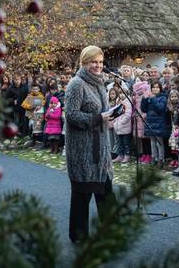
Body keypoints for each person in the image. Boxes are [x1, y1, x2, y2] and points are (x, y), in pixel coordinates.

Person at [64, 45, 115, 244]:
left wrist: (107, 118)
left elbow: (101, 112)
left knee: (106, 190)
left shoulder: (100, 83)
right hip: (83, 149)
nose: (98, 65)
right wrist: (98, 118)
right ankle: (78, 236)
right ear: (84, 62)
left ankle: (112, 232)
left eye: (101, 62)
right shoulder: (76, 84)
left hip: (101, 147)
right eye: (94, 61)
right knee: (82, 194)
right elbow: (72, 115)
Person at [141, 80, 171, 169]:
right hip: (150, 122)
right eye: (153, 87)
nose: (155, 89)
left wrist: (153, 98)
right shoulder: (149, 97)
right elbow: (144, 109)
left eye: (157, 87)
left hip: (159, 123)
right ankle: (154, 157)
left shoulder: (163, 98)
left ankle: (161, 159)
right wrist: (144, 99)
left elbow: (160, 108)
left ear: (160, 88)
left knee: (159, 142)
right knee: (152, 142)